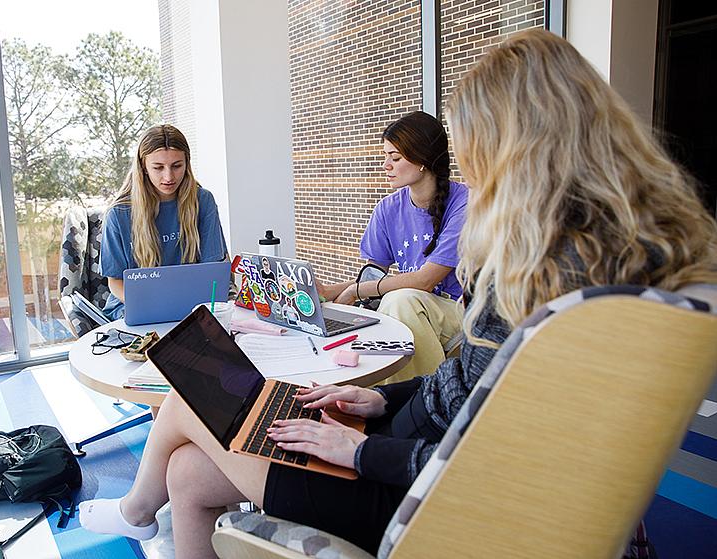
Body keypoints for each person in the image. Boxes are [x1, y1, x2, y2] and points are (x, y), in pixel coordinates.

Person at [79, 29, 717, 558]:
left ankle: (137, 512)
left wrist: (360, 449)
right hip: (408, 451)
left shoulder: (541, 278)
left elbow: (487, 466)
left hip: (418, 498)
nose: (469, 167)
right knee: (189, 473)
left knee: (193, 396)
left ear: (515, 150)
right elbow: (471, 391)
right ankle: (144, 508)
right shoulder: (632, 264)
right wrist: (375, 399)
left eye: (475, 151)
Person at [318, 111, 468, 382]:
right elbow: (374, 276)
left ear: (422, 160)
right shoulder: (388, 209)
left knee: (400, 300)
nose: (386, 165)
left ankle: (420, 398)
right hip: (415, 305)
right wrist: (330, 291)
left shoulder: (464, 204)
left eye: (395, 157)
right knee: (390, 305)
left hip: (458, 309)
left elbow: (425, 280)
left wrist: (354, 291)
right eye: (386, 156)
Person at [100, 124, 228, 320]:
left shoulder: (203, 201)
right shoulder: (118, 214)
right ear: (143, 166)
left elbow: (213, 270)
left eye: (177, 166)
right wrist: (150, 306)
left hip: (191, 307)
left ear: (187, 163)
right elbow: (115, 281)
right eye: (158, 167)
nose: (168, 177)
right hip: (133, 308)